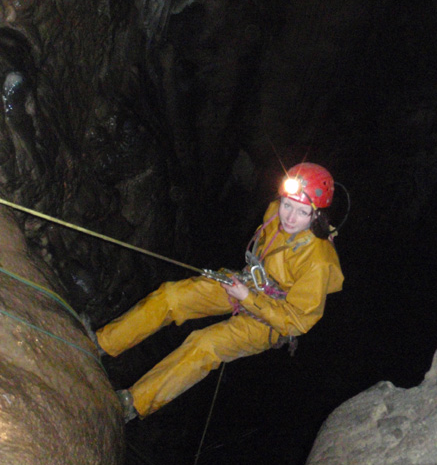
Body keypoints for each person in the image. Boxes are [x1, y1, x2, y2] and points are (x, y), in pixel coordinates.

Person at [94, 162, 344, 421]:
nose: (290, 217)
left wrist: (248, 300)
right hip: (247, 283)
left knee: (205, 345)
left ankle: (132, 404)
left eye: (302, 212)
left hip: (272, 320)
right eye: (287, 205)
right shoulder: (275, 213)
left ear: (316, 216)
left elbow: (297, 321)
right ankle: (102, 343)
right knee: (172, 297)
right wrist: (244, 289)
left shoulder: (318, 262)